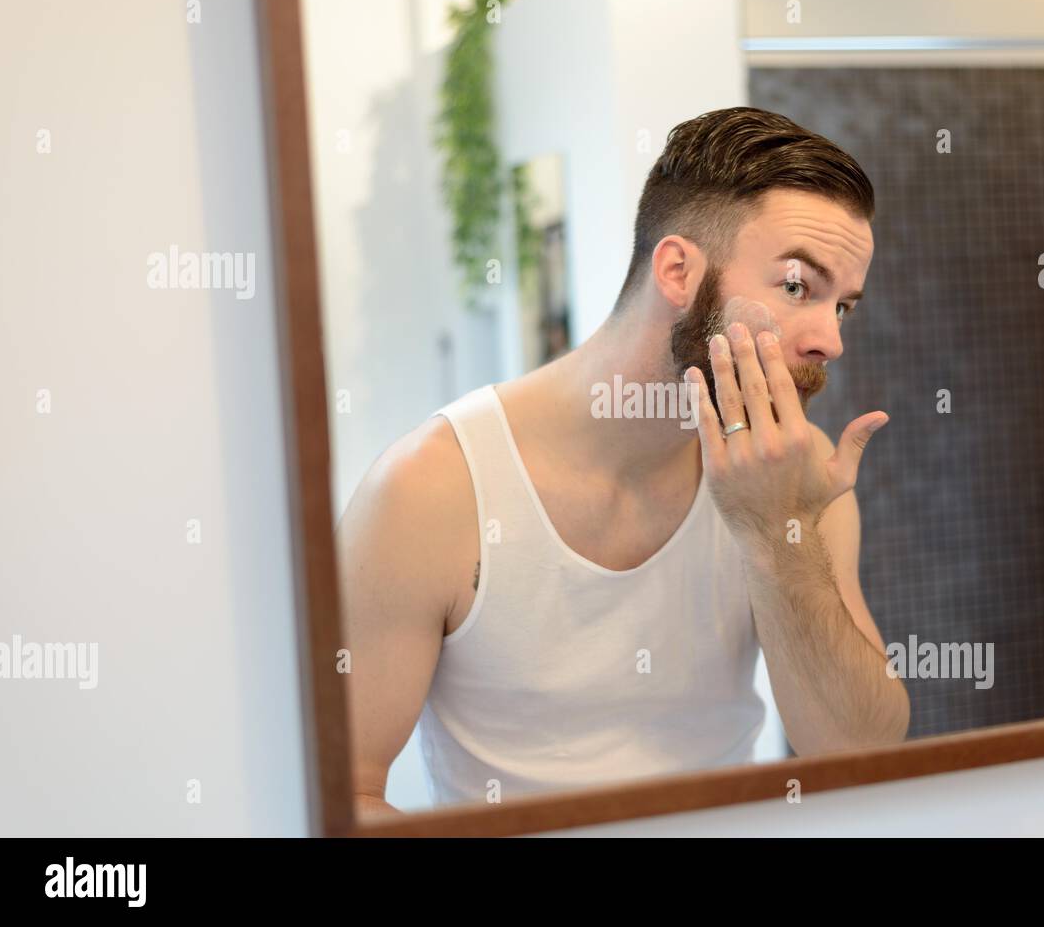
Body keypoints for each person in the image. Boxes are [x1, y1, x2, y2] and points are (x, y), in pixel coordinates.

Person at [339, 106, 909, 815]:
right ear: (677, 269)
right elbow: (342, 797)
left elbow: (858, 755)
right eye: (797, 286)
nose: (830, 339)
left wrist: (776, 533)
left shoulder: (793, 472)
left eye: (843, 307)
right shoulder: (433, 488)